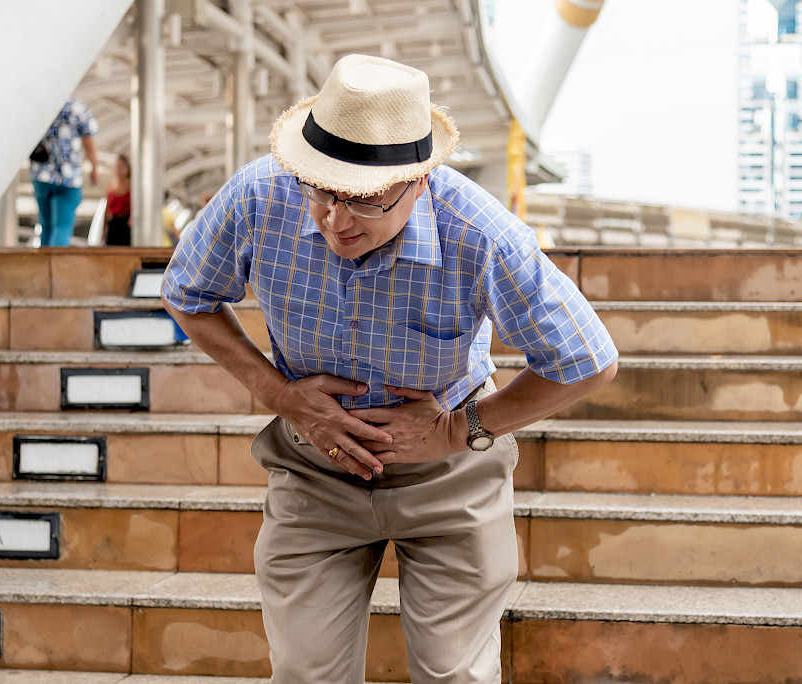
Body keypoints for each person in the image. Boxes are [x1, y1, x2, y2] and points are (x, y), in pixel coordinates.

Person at [161, 54, 617, 684]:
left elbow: (589, 362)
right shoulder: (260, 193)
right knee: (303, 673)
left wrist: (463, 429)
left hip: (451, 477)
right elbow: (188, 293)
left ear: (420, 181)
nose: (336, 221)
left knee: (453, 675)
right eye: (321, 192)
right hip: (313, 472)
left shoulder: (481, 233)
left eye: (366, 202)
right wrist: (282, 395)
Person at [30, 98, 100, 246]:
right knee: (61, 227)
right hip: (68, 177)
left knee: (46, 226)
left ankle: (44, 266)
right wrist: (94, 167)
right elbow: (88, 141)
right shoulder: (77, 107)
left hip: (41, 174)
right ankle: (56, 268)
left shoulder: (39, 104)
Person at [104, 154, 131, 246]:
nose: (119, 169)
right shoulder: (110, 187)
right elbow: (106, 210)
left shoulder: (131, 185)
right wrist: (102, 231)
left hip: (126, 225)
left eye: (121, 166)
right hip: (113, 224)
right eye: (117, 166)